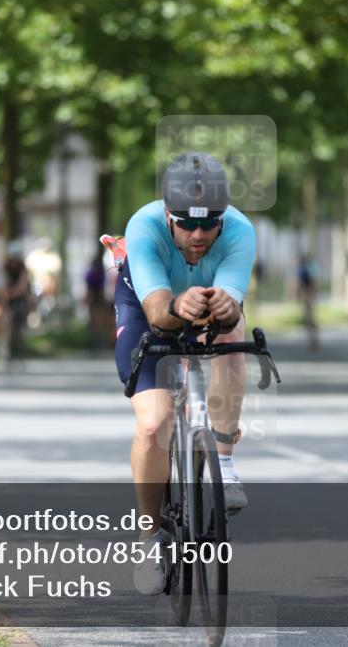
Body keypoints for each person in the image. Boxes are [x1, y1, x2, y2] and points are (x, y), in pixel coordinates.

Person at [110, 152, 255, 595]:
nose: (198, 235)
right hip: (148, 309)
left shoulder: (241, 231)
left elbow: (227, 311)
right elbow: (157, 311)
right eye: (187, 225)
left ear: (222, 219)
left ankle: (224, 464)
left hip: (206, 307)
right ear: (168, 215)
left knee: (234, 336)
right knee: (154, 424)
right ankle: (150, 538)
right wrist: (177, 305)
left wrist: (226, 310)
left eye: (209, 224)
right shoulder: (143, 226)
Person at [3, 242, 32, 362]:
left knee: (17, 320)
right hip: (6, 298)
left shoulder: (23, 269)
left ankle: (18, 349)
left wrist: (11, 293)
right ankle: (6, 348)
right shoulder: (5, 267)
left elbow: (22, 287)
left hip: (19, 299)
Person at [297, 254, 320, 351]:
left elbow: (312, 283)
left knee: (311, 319)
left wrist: (311, 295)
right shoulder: (305, 269)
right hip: (308, 294)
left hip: (309, 295)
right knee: (309, 319)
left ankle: (314, 340)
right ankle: (313, 340)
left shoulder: (306, 269)